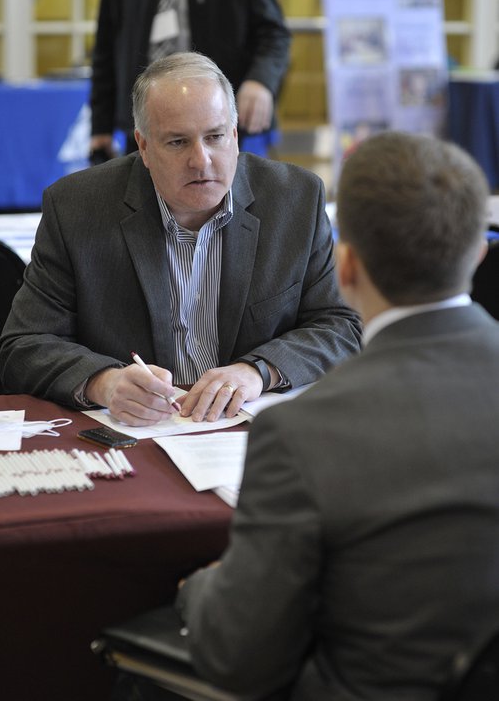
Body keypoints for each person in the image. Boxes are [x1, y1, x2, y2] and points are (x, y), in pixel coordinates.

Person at [167, 132, 499, 700]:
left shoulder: (301, 434)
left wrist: (198, 588)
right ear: (479, 252)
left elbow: (240, 658)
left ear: (345, 267)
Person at [0, 52, 361, 425]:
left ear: (235, 136)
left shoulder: (295, 200)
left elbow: (340, 325)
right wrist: (105, 383)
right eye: (177, 142)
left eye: (215, 137)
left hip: (251, 434)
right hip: (136, 437)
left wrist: (257, 372)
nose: (201, 160)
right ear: (143, 147)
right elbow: (23, 346)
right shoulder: (76, 208)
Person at [89, 0, 291, 161]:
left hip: (219, 128)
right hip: (145, 123)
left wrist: (261, 80)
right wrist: (100, 127)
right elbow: (106, 42)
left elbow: (274, 34)